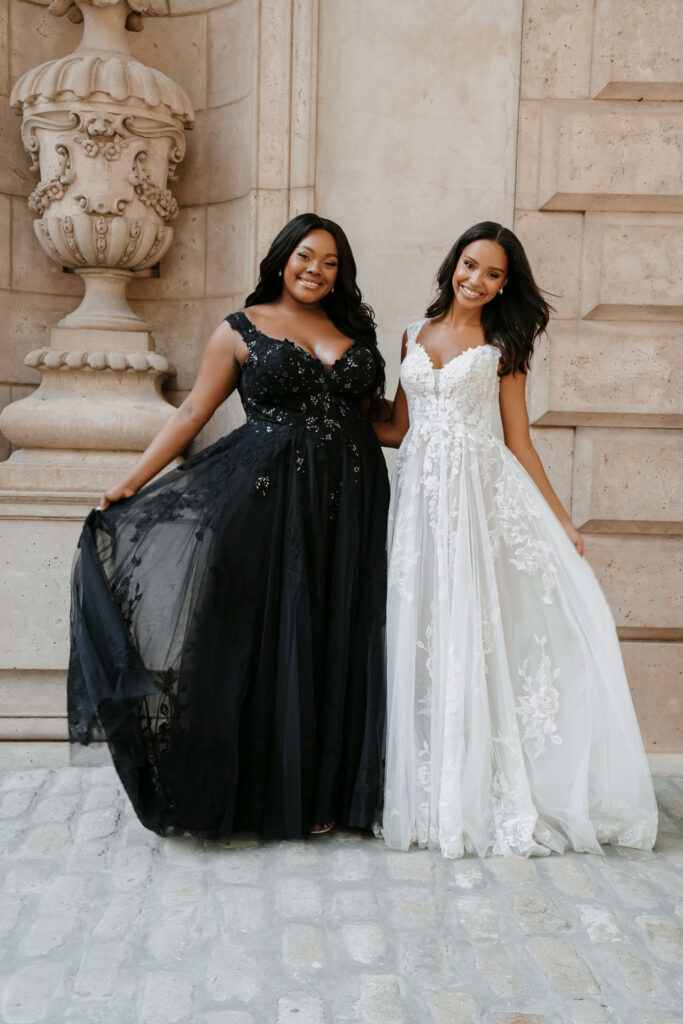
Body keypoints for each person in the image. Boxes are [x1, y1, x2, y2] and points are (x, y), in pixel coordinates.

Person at [68, 213, 390, 842]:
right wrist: (133, 479)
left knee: (339, 633)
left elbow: (375, 420)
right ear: (282, 258)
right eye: (305, 256)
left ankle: (332, 794)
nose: (315, 270)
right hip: (268, 500)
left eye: (329, 261)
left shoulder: (353, 329)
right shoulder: (239, 330)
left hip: (352, 502)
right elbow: (192, 410)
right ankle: (263, 795)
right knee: (266, 635)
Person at [373, 221, 657, 858]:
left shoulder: (503, 342)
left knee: (479, 630)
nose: (476, 280)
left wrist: (561, 520)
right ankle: (432, 794)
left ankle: (487, 794)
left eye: (493, 274)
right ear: (454, 263)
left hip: (478, 497)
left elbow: (517, 441)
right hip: (421, 503)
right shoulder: (411, 336)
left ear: (506, 285)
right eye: (470, 265)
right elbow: (397, 428)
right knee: (427, 629)